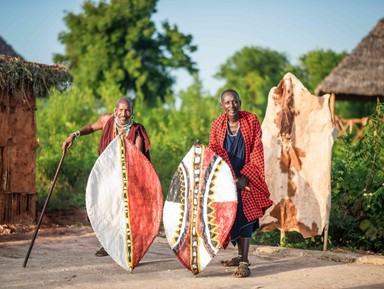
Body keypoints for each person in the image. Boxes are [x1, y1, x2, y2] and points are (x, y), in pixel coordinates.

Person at [62, 97, 151, 257]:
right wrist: (73, 135)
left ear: (132, 112)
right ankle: (107, 242)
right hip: (106, 174)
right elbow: (90, 127)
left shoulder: (136, 131)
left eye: (127, 110)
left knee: (120, 211)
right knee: (99, 206)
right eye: (121, 110)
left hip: (126, 177)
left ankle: (120, 245)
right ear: (115, 110)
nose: (124, 114)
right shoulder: (106, 120)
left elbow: (137, 159)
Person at [209, 89, 273, 278]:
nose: (231, 105)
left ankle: (244, 262)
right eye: (227, 103)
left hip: (246, 177)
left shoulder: (251, 121)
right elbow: (214, 152)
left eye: (234, 101)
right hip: (226, 178)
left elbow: (256, 149)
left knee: (245, 216)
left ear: (240, 102)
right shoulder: (216, 126)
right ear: (222, 106)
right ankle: (238, 255)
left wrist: (246, 176)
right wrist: (226, 179)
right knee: (231, 216)